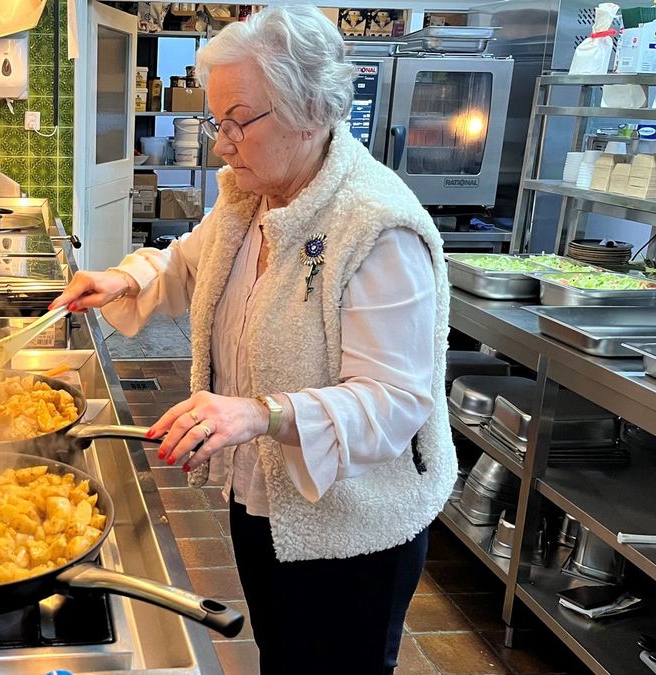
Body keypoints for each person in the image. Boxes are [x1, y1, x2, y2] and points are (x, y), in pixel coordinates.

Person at [51, 7, 456, 674]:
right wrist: (118, 280)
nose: (220, 144)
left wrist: (261, 411)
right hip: (267, 498)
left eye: (237, 121)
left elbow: (393, 400)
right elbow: (190, 264)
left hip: (354, 528)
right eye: (217, 121)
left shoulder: (378, 227)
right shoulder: (250, 196)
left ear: (310, 111)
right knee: (283, 656)